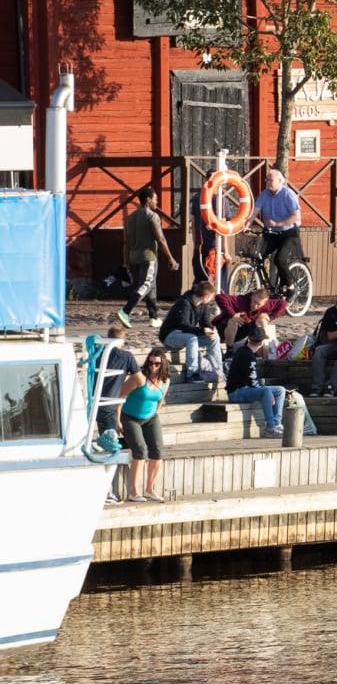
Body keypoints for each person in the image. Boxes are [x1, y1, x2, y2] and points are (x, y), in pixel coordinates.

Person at [119, 184, 178, 328]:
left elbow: (126, 243)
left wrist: (126, 263)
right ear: (148, 200)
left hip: (135, 257)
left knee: (152, 286)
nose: (156, 202)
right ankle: (125, 311)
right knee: (146, 284)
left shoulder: (130, 218)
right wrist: (170, 258)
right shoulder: (152, 216)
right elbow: (161, 239)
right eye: (155, 199)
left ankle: (153, 317)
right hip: (148, 256)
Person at [118, 348, 171, 502]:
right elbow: (120, 396)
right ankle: (134, 492)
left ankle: (149, 489)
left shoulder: (166, 380)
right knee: (140, 450)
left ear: (163, 365)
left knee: (158, 450)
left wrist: (155, 413)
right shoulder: (138, 378)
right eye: (150, 362)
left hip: (150, 418)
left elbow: (161, 400)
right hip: (129, 416)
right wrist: (117, 419)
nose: (153, 366)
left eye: (156, 363)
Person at [95, 324, 139, 502]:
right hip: (110, 406)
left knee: (104, 445)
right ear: (122, 340)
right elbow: (140, 379)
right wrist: (126, 389)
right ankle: (106, 492)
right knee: (110, 449)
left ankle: (107, 492)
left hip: (96, 405)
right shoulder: (126, 356)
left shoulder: (98, 354)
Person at [225, 323, 288, 437]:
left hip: (246, 388)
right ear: (261, 343)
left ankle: (277, 424)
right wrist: (268, 394)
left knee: (280, 390)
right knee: (266, 391)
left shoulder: (247, 352)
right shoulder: (246, 355)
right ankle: (271, 427)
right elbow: (252, 381)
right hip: (236, 392)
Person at [158, 279, 223, 386]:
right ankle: (192, 374)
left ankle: (218, 370)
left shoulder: (203, 305)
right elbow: (184, 326)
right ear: (206, 296)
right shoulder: (184, 303)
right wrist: (202, 330)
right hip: (170, 335)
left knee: (215, 338)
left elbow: (205, 322)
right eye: (211, 297)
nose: (211, 300)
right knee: (191, 338)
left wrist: (211, 329)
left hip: (187, 335)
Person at [254, 167, 305, 294]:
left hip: (288, 233)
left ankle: (290, 286)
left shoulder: (288, 194)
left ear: (280, 181)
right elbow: (254, 211)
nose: (267, 183)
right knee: (258, 255)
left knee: (279, 259)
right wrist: (245, 224)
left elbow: (296, 216)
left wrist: (277, 223)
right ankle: (267, 288)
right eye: (267, 180)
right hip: (272, 233)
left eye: (270, 180)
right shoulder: (264, 194)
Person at [215, 287, 287, 346]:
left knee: (263, 318)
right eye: (254, 302)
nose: (255, 306)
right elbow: (219, 297)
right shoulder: (241, 301)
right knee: (233, 320)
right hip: (223, 331)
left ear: (264, 303)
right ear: (252, 297)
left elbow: (283, 303)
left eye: (258, 304)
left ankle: (261, 347)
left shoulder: (267, 305)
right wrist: (233, 314)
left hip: (246, 328)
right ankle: (229, 350)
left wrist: (270, 317)